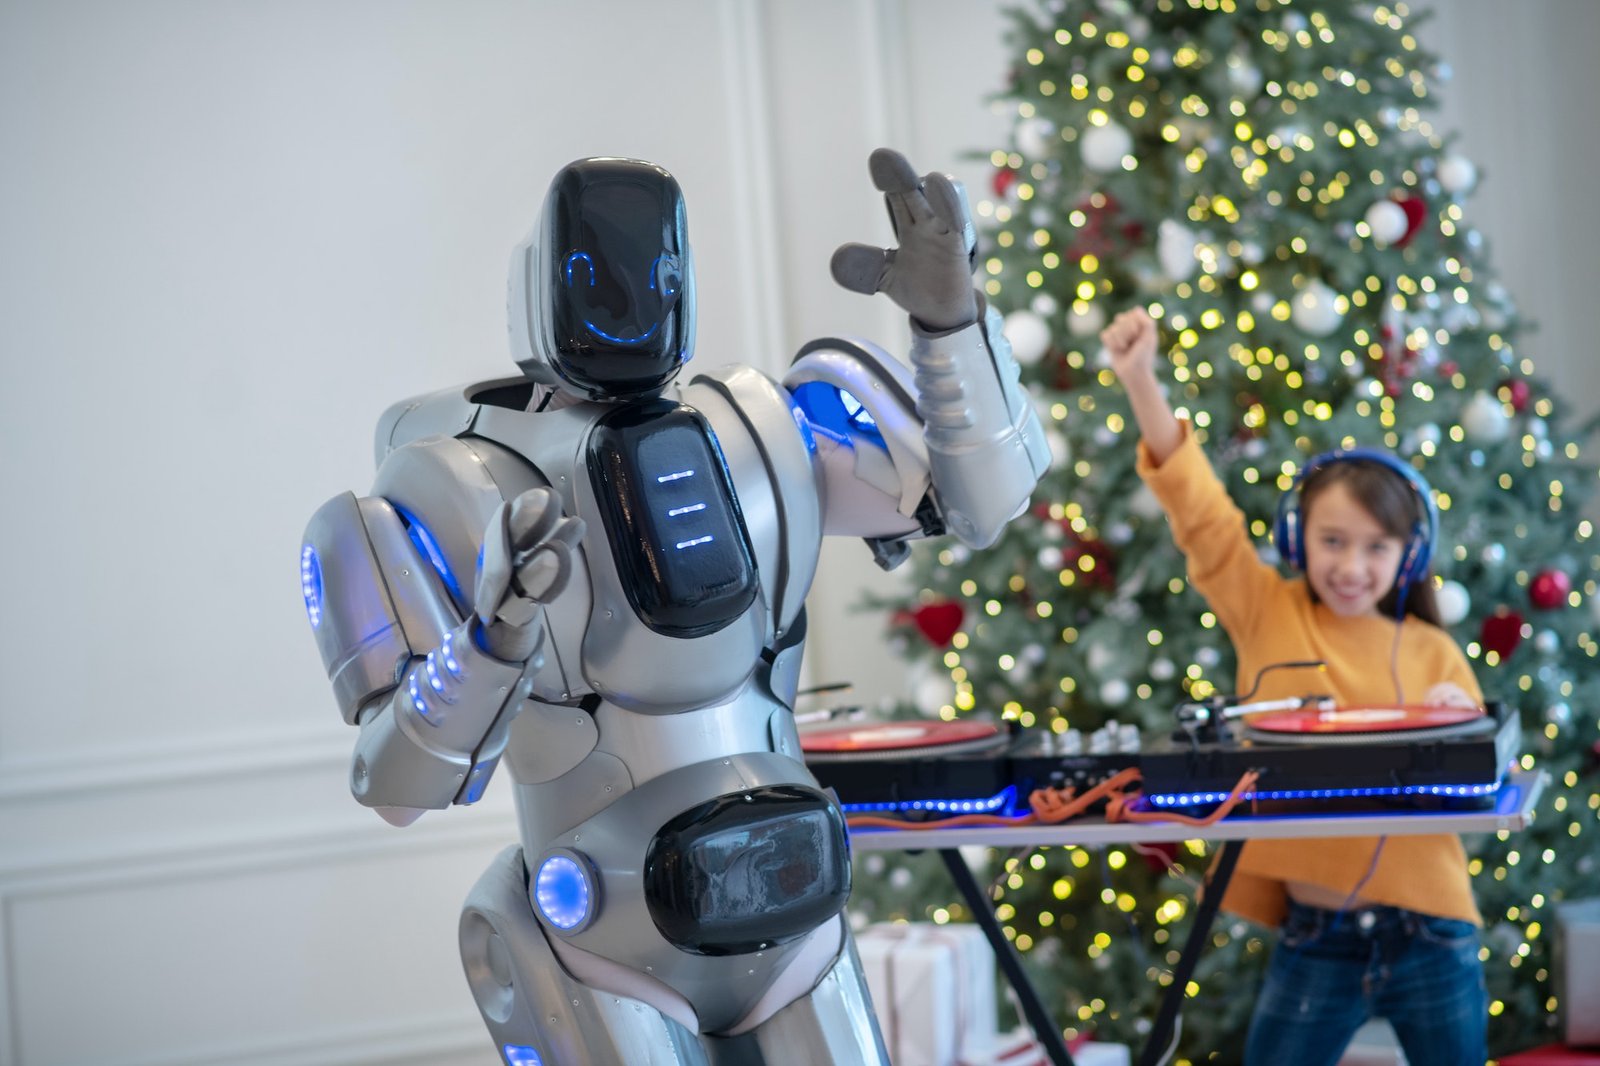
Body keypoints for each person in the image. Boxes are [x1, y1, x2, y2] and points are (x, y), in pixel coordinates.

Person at [1101, 306, 1488, 1066]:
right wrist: (1139, 378)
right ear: (1295, 539)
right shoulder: (1264, 608)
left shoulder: (1436, 649)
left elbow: (1476, 784)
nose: (1352, 567)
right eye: (1333, 541)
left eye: (1377, 547)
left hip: (1432, 930)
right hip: (1317, 941)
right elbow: (1199, 509)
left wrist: (1459, 727)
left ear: (1408, 559)